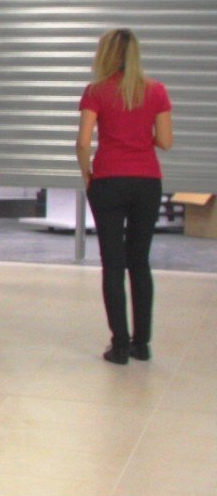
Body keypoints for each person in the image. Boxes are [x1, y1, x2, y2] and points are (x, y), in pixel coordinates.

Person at [77, 29, 173, 365]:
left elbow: (84, 141)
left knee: (113, 264)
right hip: (147, 182)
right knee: (139, 263)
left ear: (106, 55)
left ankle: (119, 346)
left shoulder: (96, 92)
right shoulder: (156, 91)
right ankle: (141, 343)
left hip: (108, 181)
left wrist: (87, 174)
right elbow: (166, 140)